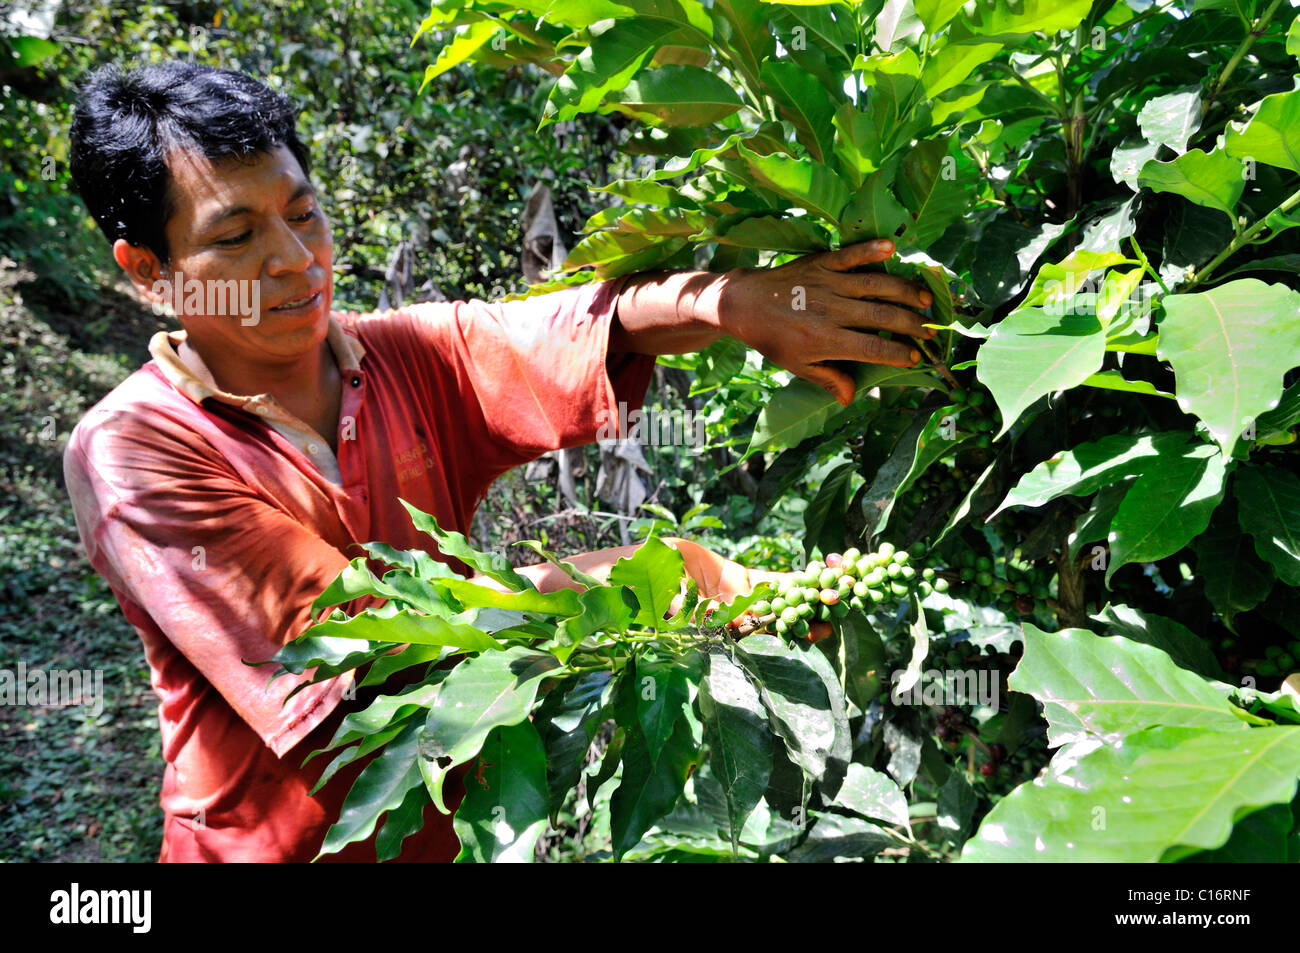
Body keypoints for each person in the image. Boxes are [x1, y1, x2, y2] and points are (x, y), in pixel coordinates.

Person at [63, 60, 936, 862]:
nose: (295, 261)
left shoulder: (398, 358)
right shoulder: (134, 452)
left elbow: (579, 325)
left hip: (454, 832)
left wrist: (737, 302)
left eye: (302, 212)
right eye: (235, 238)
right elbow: (359, 643)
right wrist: (674, 574)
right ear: (150, 270)